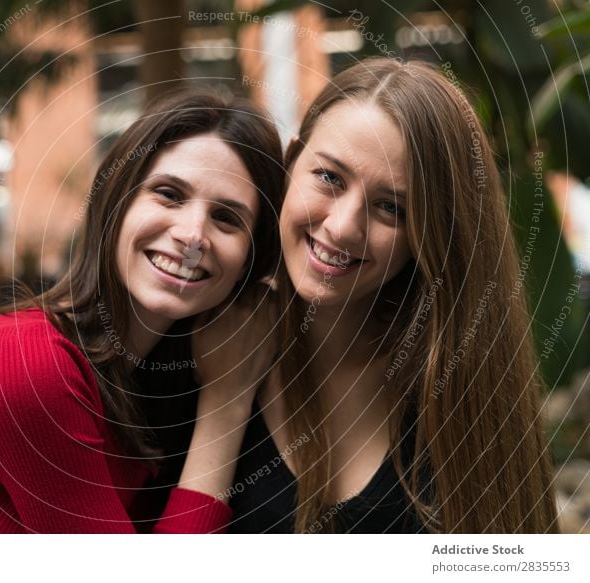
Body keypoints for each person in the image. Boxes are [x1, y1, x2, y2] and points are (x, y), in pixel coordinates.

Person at [0, 89, 284, 533]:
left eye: (227, 218)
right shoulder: (24, 362)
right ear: (115, 204)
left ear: (250, 262)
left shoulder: (158, 377)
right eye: (169, 194)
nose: (193, 235)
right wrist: (226, 404)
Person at [226, 57, 559, 533]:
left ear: (435, 234)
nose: (342, 228)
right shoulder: (202, 346)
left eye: (391, 208)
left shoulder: (461, 390)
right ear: (291, 161)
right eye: (329, 177)